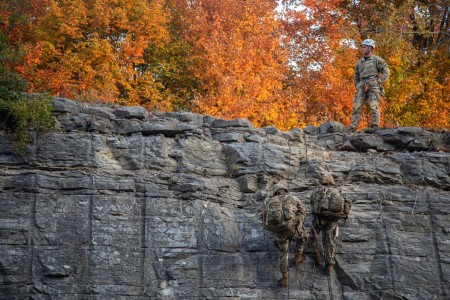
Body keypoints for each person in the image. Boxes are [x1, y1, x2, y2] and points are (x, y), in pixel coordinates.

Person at [261, 181, 308, 287]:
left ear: (275, 191)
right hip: (292, 229)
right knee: (304, 236)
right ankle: (298, 255)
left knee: (283, 253)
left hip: (278, 231)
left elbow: (263, 216)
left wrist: (270, 228)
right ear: (285, 190)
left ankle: (285, 278)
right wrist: (298, 221)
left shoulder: (267, 201)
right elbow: (303, 211)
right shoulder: (293, 198)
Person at [309, 175, 351, 275]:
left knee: (314, 236)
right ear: (332, 182)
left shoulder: (317, 191)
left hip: (319, 218)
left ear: (323, 181)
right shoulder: (338, 191)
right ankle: (329, 265)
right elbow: (347, 202)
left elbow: (312, 202)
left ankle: (316, 255)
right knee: (329, 240)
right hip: (332, 219)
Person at [348, 39, 390, 132]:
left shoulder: (377, 60)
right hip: (362, 85)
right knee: (357, 106)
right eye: (362, 47)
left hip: (373, 84)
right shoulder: (359, 62)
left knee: (373, 105)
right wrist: (358, 85)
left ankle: (374, 126)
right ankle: (353, 127)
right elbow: (356, 76)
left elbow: (386, 71)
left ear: (370, 48)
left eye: (365, 47)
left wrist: (379, 81)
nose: (362, 49)